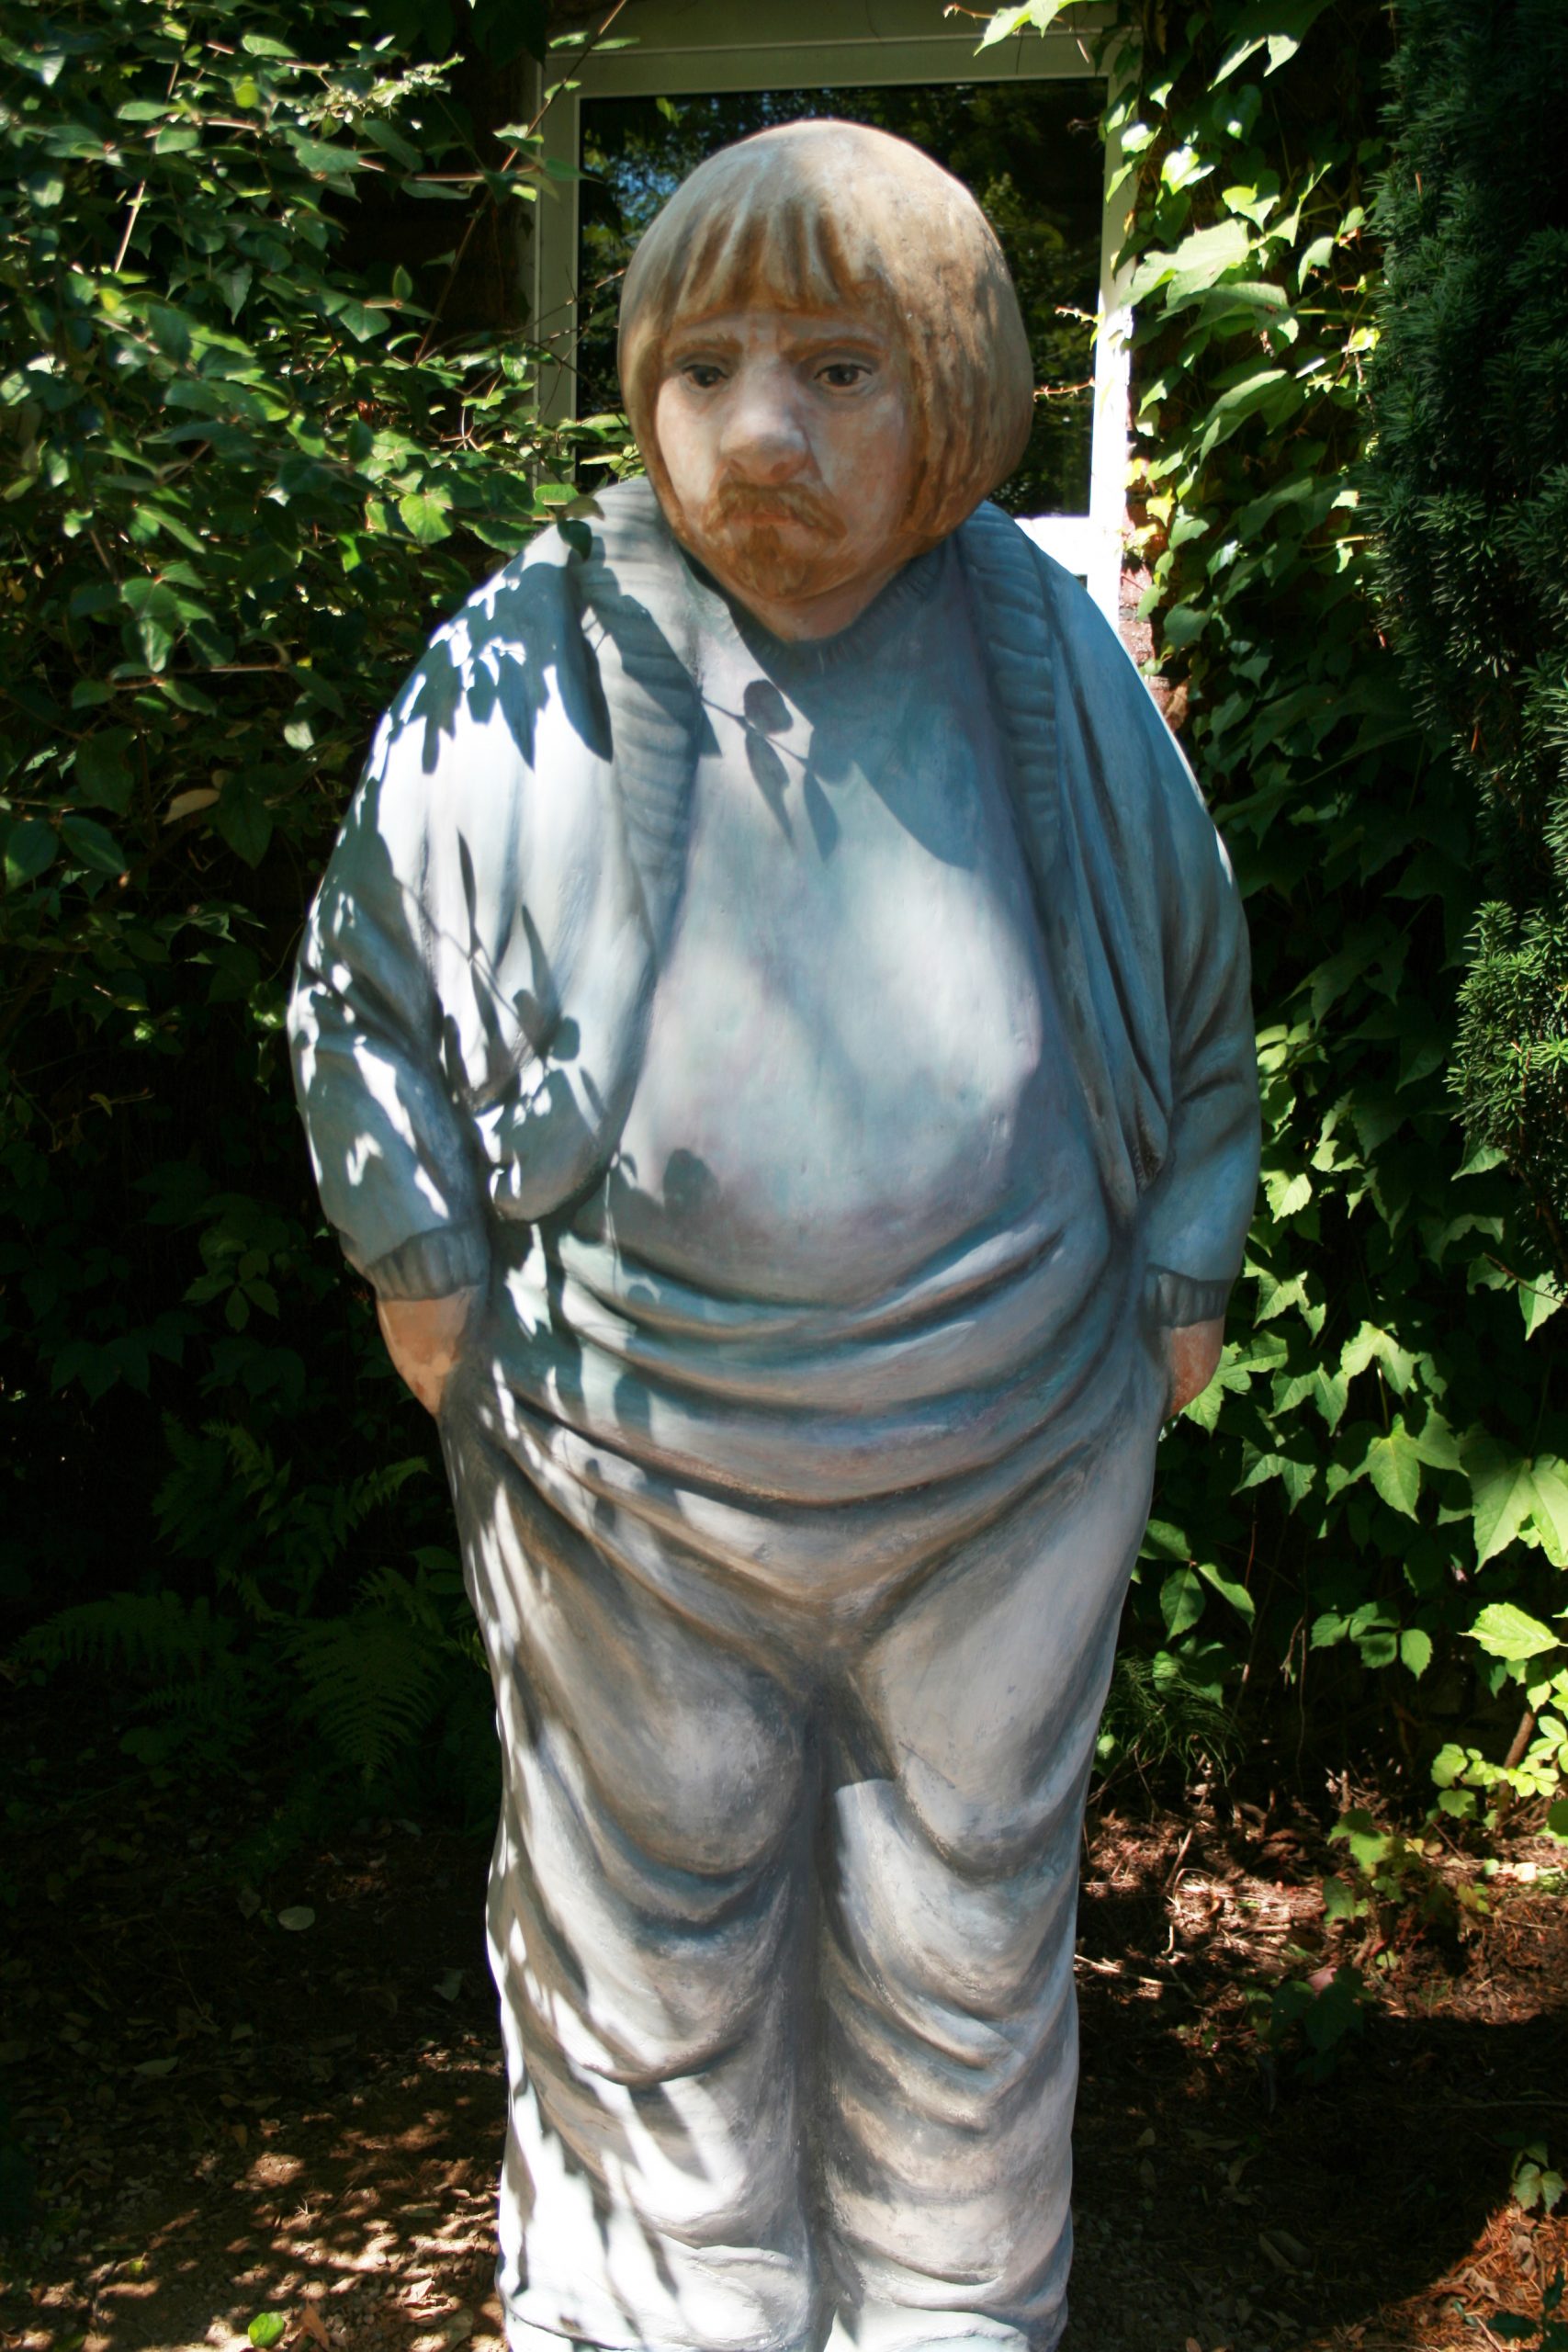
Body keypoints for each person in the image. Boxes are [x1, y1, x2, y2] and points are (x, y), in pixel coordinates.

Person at [288, 119, 1259, 2352]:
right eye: (703, 367)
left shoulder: (1038, 652)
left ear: (952, 393)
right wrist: (420, 1257)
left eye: (834, 369)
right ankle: (664, 2300)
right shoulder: (529, 652)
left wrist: (1185, 1256)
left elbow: (1194, 990)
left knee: (965, 1910)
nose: (756, 434)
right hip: (623, 1455)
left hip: (1002, 1448)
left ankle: (949, 2296)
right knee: (646, 1908)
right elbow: (360, 991)